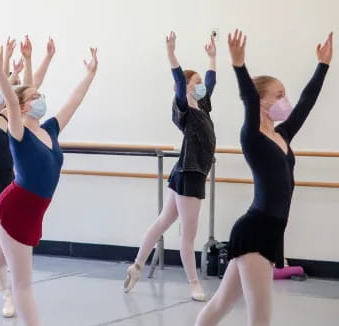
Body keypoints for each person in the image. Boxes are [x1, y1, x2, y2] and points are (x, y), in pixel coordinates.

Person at [0, 41, 98, 326]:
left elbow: (74, 101)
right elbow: (8, 95)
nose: (40, 98)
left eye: (40, 94)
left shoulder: (50, 129)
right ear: (19, 107)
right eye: (33, 96)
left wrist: (89, 75)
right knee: (23, 283)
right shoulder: (17, 133)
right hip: (15, 210)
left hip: (30, 211)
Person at [195, 30, 333, 326]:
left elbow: (307, 103)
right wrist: (239, 65)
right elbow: (247, 96)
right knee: (260, 320)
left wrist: (322, 66)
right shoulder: (252, 136)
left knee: (220, 304)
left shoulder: (282, 134)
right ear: (261, 102)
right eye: (279, 95)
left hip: (267, 232)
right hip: (256, 232)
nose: (285, 101)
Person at [124, 32, 217, 302]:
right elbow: (178, 80)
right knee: (188, 234)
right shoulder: (183, 110)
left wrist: (212, 56)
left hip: (186, 172)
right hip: (190, 175)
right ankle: (193, 283)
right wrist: (171, 53)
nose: (201, 86)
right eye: (196, 83)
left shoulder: (204, 106)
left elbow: (211, 81)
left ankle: (137, 265)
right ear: (185, 87)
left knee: (163, 221)